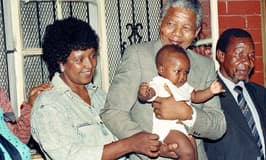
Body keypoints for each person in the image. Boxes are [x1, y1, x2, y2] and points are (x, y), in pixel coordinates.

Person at [30, 17, 172, 160]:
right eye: (79, 60)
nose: (89, 65)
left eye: (92, 56)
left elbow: (125, 135)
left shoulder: (100, 96)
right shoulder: (48, 105)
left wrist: (156, 146)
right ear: (60, 62)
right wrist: (130, 144)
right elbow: (70, 156)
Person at [100, 0, 227, 159]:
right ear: (160, 23)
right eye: (171, 24)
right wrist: (152, 146)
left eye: (186, 28)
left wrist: (188, 114)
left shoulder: (205, 66)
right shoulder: (138, 55)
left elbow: (218, 126)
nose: (177, 34)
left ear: (197, 32)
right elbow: (113, 112)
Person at [204, 28, 266, 160]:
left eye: (251, 55)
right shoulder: (208, 95)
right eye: (239, 54)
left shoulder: (260, 93)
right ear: (221, 55)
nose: (247, 62)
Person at [138, 44, 224, 160]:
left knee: (193, 152)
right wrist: (144, 93)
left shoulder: (184, 86)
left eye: (186, 72)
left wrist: (210, 91)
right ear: (162, 69)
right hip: (168, 128)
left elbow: (196, 96)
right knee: (187, 152)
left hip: (183, 128)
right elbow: (151, 93)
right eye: (178, 71)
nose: (182, 76)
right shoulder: (160, 82)